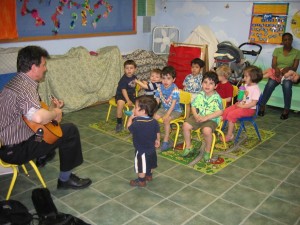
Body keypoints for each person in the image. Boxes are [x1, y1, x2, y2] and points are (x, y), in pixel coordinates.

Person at [0, 46, 92, 190]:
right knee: (69, 131)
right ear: (33, 67)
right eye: (43, 65)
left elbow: (30, 114)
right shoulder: (25, 87)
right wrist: (55, 113)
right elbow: (37, 117)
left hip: (11, 143)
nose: (45, 69)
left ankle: (43, 156)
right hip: (16, 150)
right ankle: (65, 179)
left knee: (50, 132)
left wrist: (51, 108)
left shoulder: (16, 82)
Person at [182, 71, 223, 161]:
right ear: (201, 83)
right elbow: (193, 106)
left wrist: (206, 118)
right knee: (185, 125)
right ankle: (189, 146)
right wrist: (196, 115)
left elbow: (220, 112)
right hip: (199, 116)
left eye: (211, 83)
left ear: (215, 86)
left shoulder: (216, 98)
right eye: (205, 82)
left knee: (207, 131)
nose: (207, 85)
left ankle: (207, 150)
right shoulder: (200, 94)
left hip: (211, 119)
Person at [259, 32, 300, 120]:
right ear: (282, 41)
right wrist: (276, 69)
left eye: (289, 39)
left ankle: (286, 109)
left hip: (287, 75)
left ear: (292, 40)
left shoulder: (297, 52)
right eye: (285, 40)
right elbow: (273, 64)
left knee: (287, 86)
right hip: (276, 73)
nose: (287, 41)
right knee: (270, 84)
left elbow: (295, 68)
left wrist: (288, 68)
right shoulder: (277, 50)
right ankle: (262, 105)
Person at [222, 65, 263, 142]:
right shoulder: (246, 85)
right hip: (241, 105)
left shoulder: (256, 89)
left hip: (249, 109)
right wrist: (240, 95)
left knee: (231, 114)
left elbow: (253, 103)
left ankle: (229, 135)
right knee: (226, 111)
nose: (244, 78)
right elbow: (241, 98)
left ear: (253, 77)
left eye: (246, 76)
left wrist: (242, 106)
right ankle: (221, 127)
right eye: (244, 76)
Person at [127, 96, 160, 187]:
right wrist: (157, 140)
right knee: (151, 162)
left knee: (141, 166)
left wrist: (130, 118)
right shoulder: (154, 121)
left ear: (143, 111)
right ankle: (149, 175)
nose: (133, 109)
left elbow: (129, 128)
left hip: (141, 150)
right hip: (152, 148)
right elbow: (157, 131)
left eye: (135, 107)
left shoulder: (137, 122)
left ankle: (141, 181)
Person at [154, 66, 182, 151]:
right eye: (163, 78)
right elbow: (157, 101)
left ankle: (166, 140)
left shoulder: (175, 89)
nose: (165, 81)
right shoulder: (160, 87)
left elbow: (173, 104)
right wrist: (153, 110)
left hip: (175, 110)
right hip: (164, 108)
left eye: (168, 78)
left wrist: (167, 114)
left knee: (166, 119)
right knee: (153, 119)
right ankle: (157, 138)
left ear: (173, 80)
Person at [115, 60, 137, 132]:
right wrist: (128, 100)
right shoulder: (123, 79)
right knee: (120, 104)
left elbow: (136, 84)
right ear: (124, 69)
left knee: (140, 103)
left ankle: (135, 118)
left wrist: (141, 84)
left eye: (131, 68)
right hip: (121, 94)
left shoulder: (134, 77)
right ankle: (119, 122)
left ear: (135, 69)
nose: (129, 70)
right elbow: (123, 91)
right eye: (127, 68)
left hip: (130, 95)